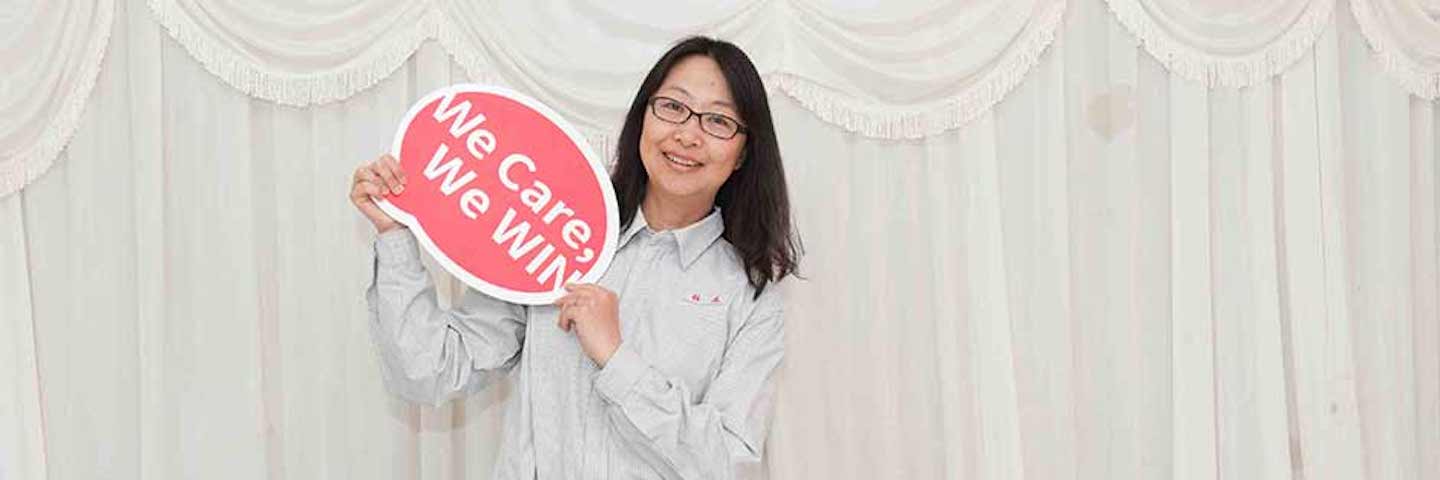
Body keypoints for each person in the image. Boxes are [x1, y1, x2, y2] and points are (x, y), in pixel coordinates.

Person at [348, 36, 799, 479]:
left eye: (718, 121)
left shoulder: (751, 290)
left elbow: (726, 459)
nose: (687, 134)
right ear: (643, 115)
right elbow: (429, 372)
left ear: (743, 153)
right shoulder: (555, 238)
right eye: (673, 107)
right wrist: (397, 236)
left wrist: (616, 358)